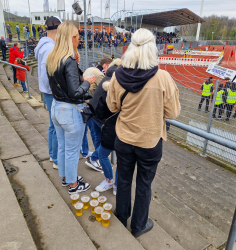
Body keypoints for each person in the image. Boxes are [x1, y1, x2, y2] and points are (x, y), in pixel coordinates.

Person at [106, 28, 181, 237]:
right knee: (144, 185)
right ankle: (138, 226)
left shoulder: (118, 75)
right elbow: (173, 113)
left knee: (123, 180)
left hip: (124, 138)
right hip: (149, 141)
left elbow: (112, 107)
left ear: (131, 47)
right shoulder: (163, 77)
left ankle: (121, 216)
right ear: (152, 47)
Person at [47, 21, 95, 194]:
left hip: (56, 108)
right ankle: (73, 186)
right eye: (78, 36)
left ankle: (67, 178)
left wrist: (75, 63)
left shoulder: (52, 58)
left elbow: (65, 83)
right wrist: (88, 82)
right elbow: (75, 92)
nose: (79, 39)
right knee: (72, 151)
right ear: (72, 38)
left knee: (62, 147)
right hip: (70, 111)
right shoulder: (68, 62)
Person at [35, 16, 62, 170]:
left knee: (53, 126)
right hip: (52, 93)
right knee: (56, 126)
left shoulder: (43, 44)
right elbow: (47, 75)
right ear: (57, 30)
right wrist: (56, 90)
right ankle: (56, 158)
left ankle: (53, 155)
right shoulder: (49, 47)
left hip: (48, 93)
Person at [93, 59, 122, 194]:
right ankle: (116, 185)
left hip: (111, 130)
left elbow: (99, 112)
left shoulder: (107, 92)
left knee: (102, 154)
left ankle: (110, 181)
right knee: (123, 160)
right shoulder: (131, 90)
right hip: (126, 131)